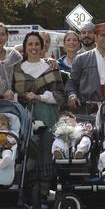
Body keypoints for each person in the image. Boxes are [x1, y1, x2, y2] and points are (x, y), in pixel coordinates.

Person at [12, 32, 65, 190]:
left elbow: (60, 96)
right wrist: (22, 96)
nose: (33, 47)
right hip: (25, 113)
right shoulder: (17, 68)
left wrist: (39, 97)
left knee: (46, 147)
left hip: (47, 113)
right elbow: (11, 93)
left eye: (37, 44)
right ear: (25, 47)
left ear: (42, 47)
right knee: (27, 148)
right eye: (30, 44)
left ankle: (45, 190)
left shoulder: (51, 67)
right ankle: (27, 190)